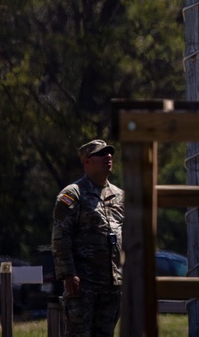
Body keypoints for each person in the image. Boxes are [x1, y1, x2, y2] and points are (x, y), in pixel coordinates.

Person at [52, 139, 124, 337]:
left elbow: (127, 237)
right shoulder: (72, 194)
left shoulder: (119, 196)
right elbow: (61, 234)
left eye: (109, 153)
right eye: (101, 154)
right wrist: (68, 273)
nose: (108, 157)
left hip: (111, 286)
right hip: (83, 285)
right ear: (87, 162)